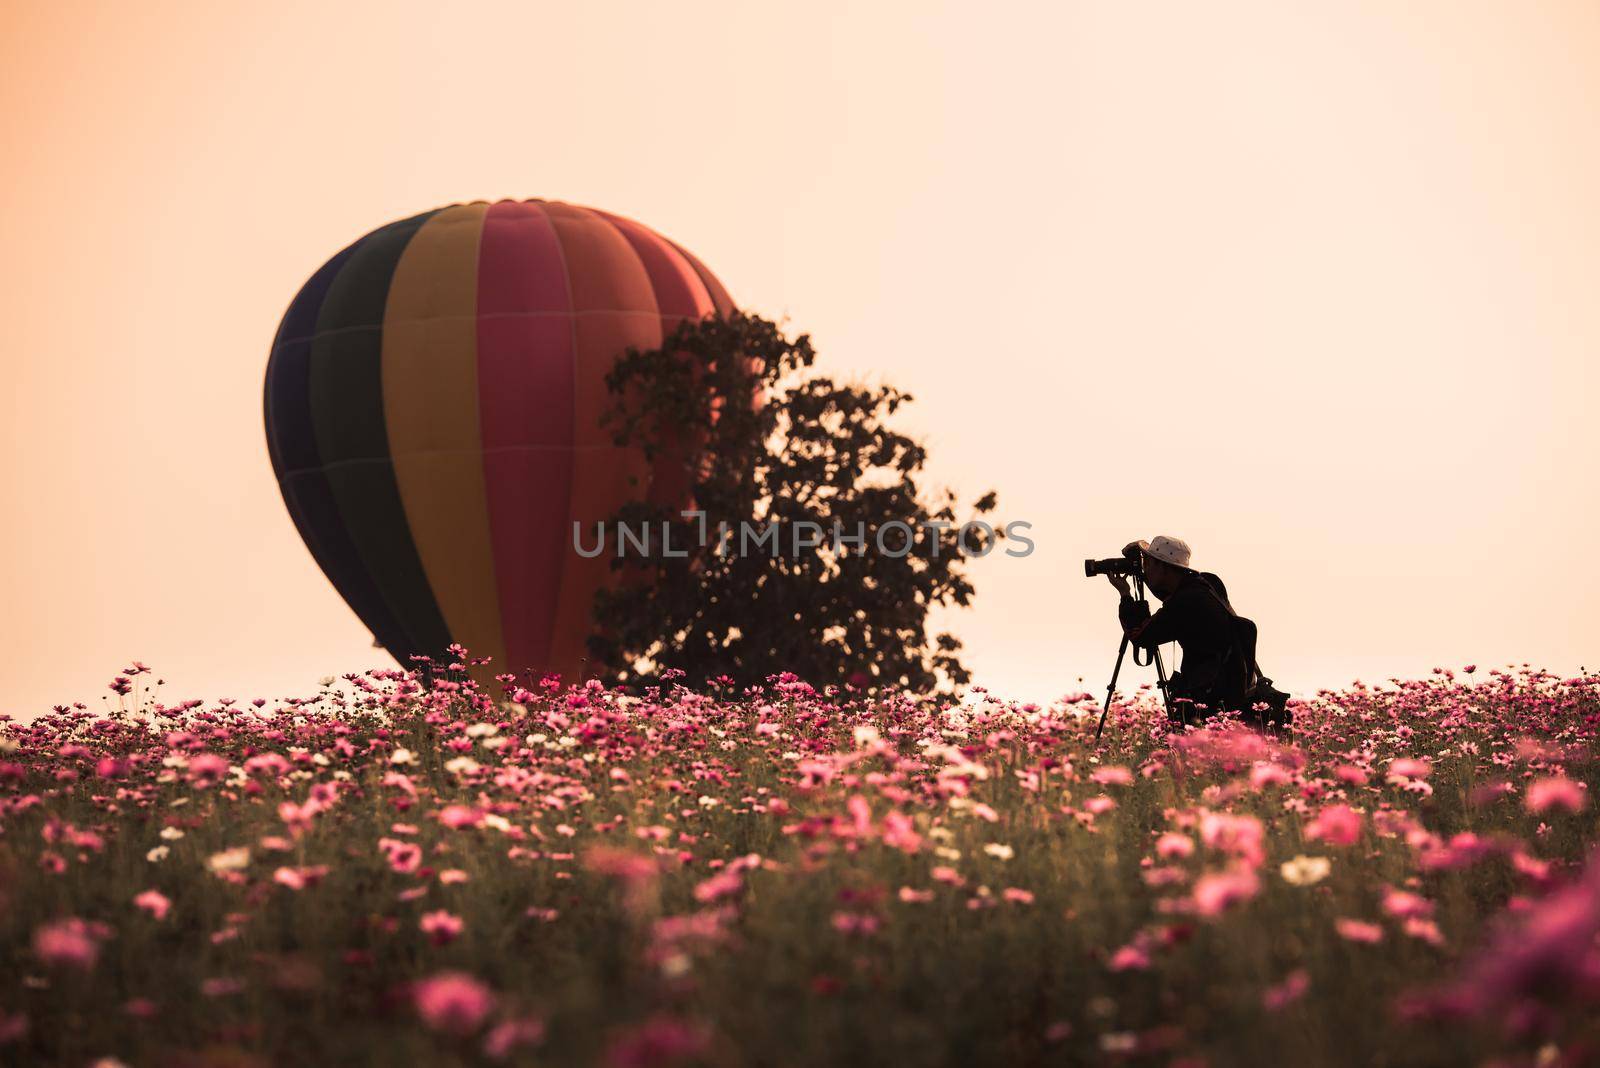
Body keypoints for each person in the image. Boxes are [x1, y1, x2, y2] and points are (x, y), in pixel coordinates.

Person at [1104, 535, 1250, 723]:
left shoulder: (1185, 603)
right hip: (1230, 689)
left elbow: (1141, 636)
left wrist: (1125, 595)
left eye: (1148, 563)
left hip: (1207, 701)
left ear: (1163, 568)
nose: (1145, 569)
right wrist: (1141, 573)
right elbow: (1168, 592)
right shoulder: (1208, 584)